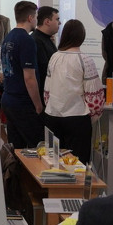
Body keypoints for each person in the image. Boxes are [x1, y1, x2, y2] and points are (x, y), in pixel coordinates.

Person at [42, 20, 96, 159]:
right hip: (77, 118)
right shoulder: (85, 60)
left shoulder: (54, 57)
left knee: (53, 162)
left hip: (52, 116)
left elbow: (47, 91)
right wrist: (92, 117)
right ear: (81, 36)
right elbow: (94, 95)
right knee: (78, 163)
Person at [0, 0, 44, 148]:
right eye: (36, 16)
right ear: (30, 18)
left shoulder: (8, 37)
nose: (36, 20)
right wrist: (38, 105)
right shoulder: (26, 40)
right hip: (22, 101)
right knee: (37, 146)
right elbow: (29, 77)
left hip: (9, 98)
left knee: (17, 147)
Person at [34, 6, 61, 99]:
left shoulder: (47, 39)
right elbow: (44, 70)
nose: (60, 23)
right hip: (42, 95)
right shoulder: (36, 41)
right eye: (57, 19)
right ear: (47, 22)